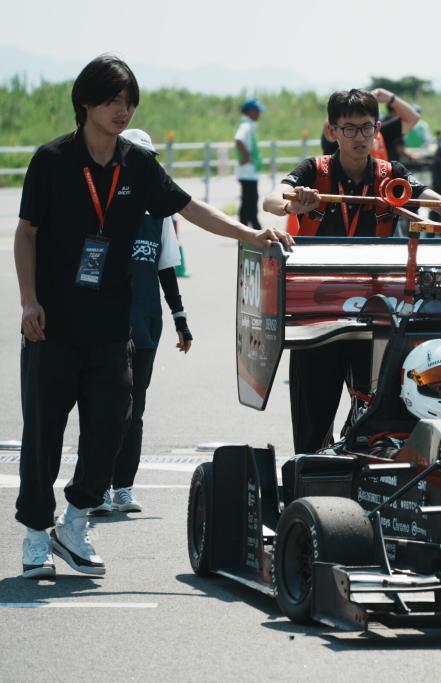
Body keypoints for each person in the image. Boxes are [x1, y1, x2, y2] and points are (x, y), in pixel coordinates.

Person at [15, 54, 292, 579]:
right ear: (85, 103)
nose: (122, 110)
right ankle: (34, 535)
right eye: (112, 100)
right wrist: (29, 300)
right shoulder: (51, 160)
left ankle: (74, 523)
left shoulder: (137, 164)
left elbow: (189, 207)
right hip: (51, 325)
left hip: (109, 325)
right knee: (43, 433)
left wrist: (251, 234)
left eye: (129, 101)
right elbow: (26, 233)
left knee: (111, 427)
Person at [263, 89, 441, 455]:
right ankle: (310, 473)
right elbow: (271, 200)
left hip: (375, 310)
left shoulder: (392, 175)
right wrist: (293, 203)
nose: (359, 137)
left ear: (377, 129)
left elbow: (431, 199)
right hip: (318, 311)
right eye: (349, 129)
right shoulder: (313, 170)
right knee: (313, 423)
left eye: (366, 128)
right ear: (332, 131)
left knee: (376, 416)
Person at [88, 128, 195, 517]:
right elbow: (88, 267)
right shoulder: (102, 207)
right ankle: (96, 488)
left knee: (135, 409)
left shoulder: (160, 214)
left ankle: (123, 487)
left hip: (146, 323)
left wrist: (180, 318)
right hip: (107, 324)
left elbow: (166, 267)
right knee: (105, 407)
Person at [234, 98, 265, 229]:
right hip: (247, 172)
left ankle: (244, 230)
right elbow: (238, 140)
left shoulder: (248, 125)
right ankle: (256, 229)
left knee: (247, 203)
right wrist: (246, 156)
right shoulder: (245, 126)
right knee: (251, 202)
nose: (259, 114)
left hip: (248, 172)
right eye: (257, 111)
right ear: (250, 111)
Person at [371, 87, 419, 163]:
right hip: (387, 166)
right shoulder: (381, 129)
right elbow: (413, 118)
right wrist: (390, 98)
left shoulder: (381, 125)